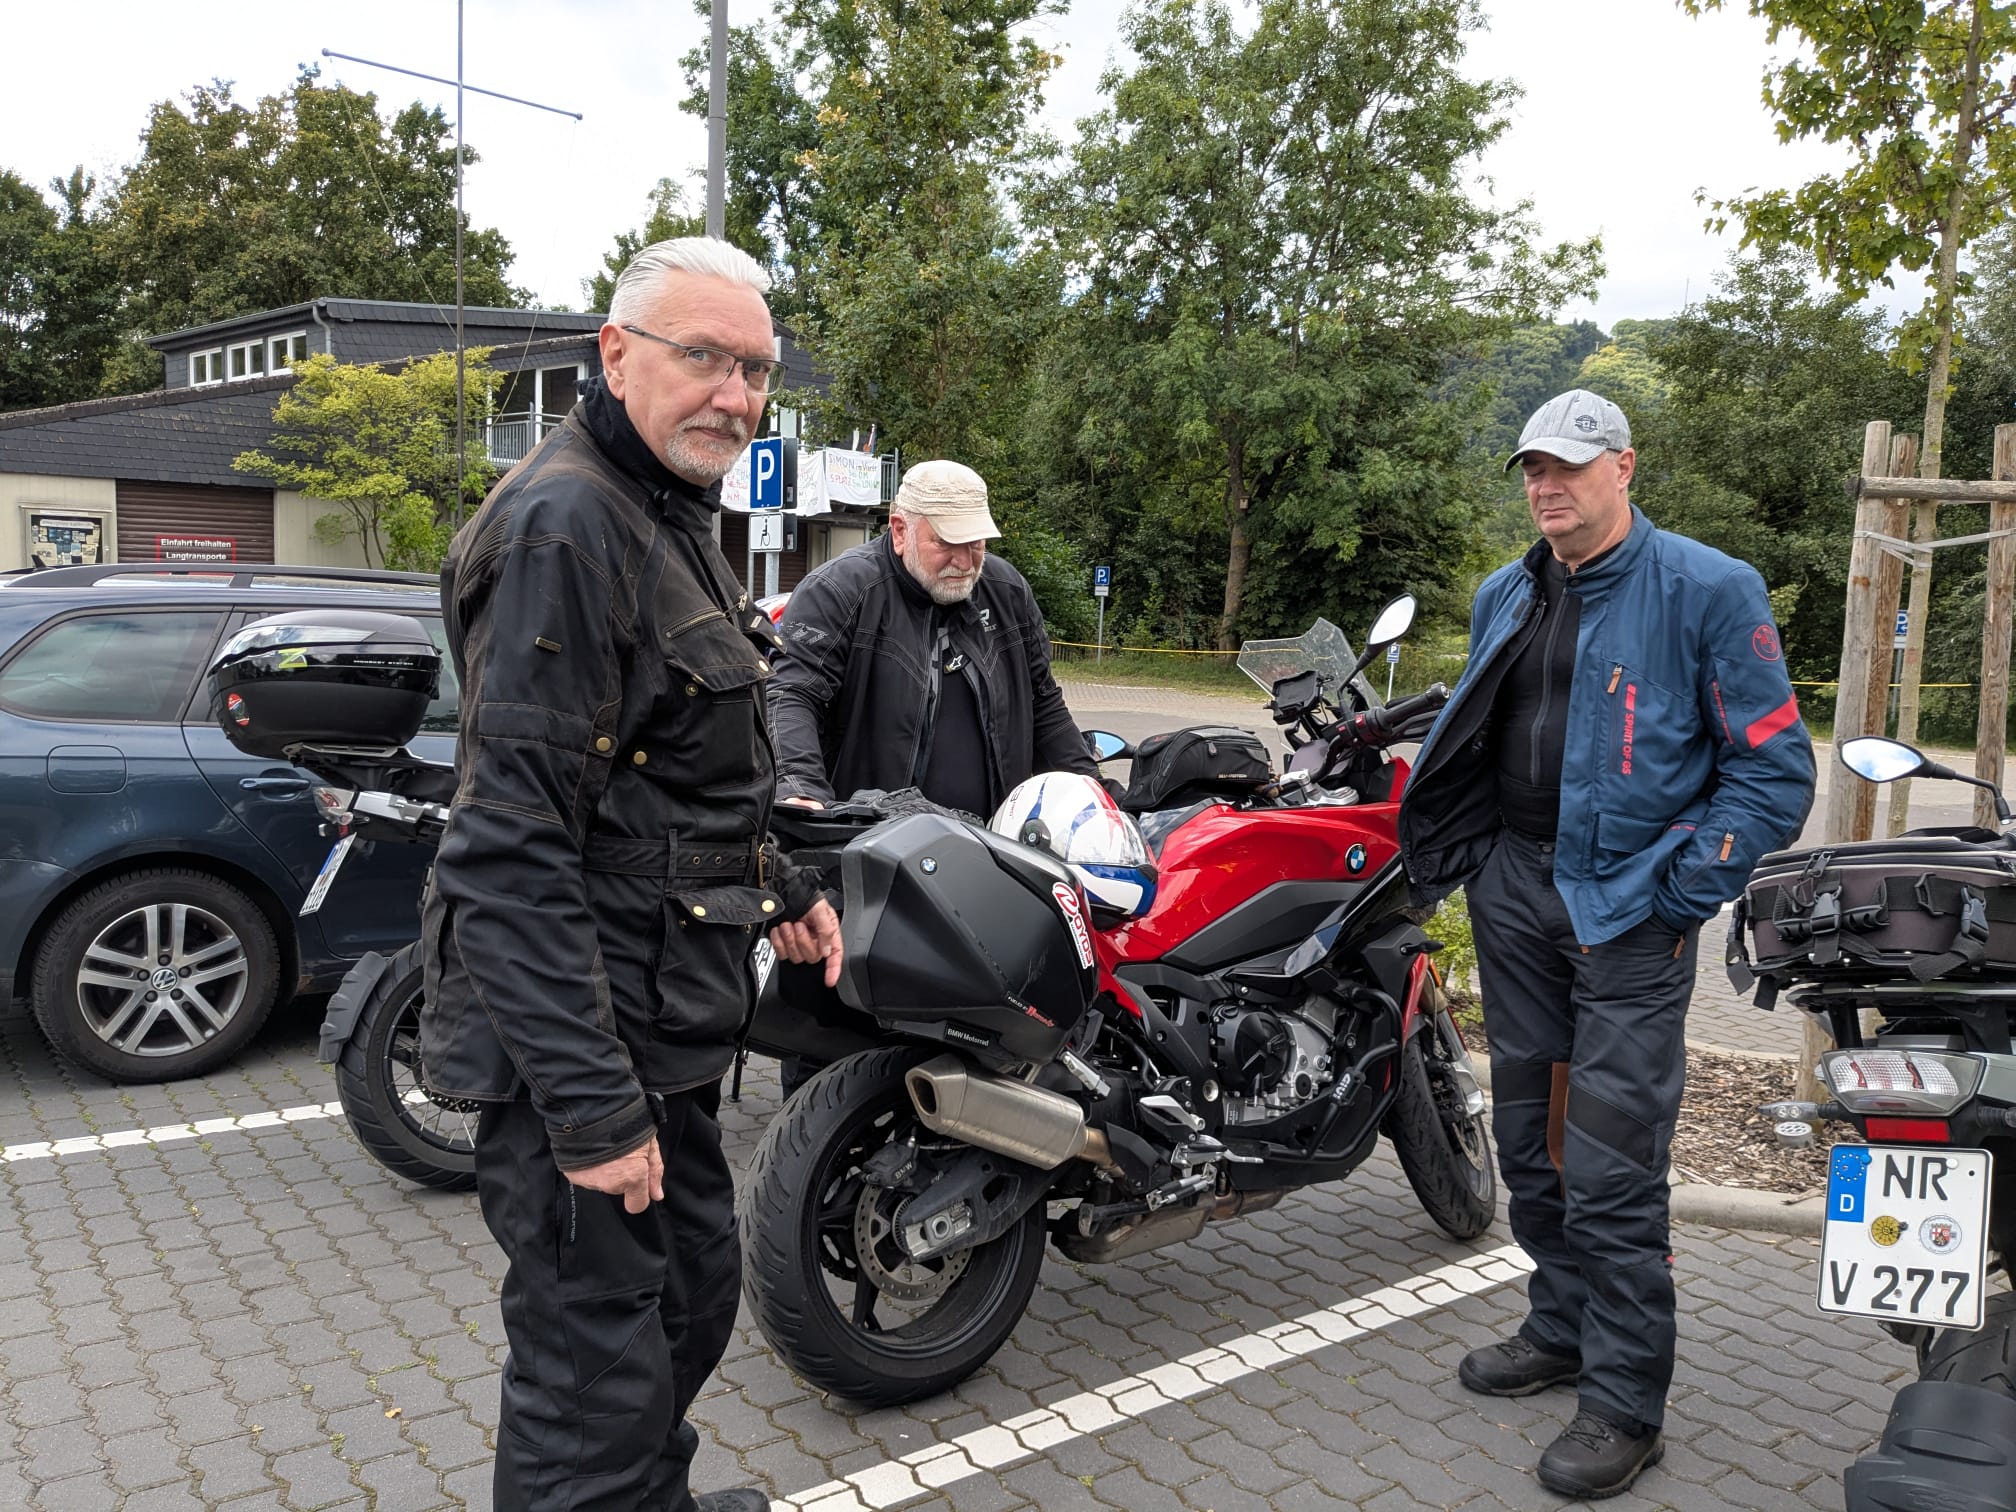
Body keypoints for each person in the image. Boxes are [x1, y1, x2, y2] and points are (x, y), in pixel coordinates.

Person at [420, 236, 843, 1512]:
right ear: (615, 353)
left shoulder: (664, 510)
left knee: (689, 1296)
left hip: (662, 1019)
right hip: (587, 1042)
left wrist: (782, 884)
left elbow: (672, 775)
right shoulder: (568, 526)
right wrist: (595, 1115)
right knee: (590, 1375)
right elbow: (509, 847)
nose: (735, 394)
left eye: (755, 369)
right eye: (704, 356)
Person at [1398, 389, 1815, 1499]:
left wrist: (1678, 894)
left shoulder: (1708, 590)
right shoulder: (1509, 590)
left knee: (1612, 1165)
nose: (1549, 487)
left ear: (1624, 468)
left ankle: (1627, 1402)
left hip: (1630, 916)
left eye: (1570, 467)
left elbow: (1775, 771)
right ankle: (1562, 1326)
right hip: (1515, 896)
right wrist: (1480, 861)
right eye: (1534, 469)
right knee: (1531, 1142)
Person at [767, 458, 1096, 819]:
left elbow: (1043, 705)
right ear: (900, 531)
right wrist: (798, 786)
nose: (964, 562)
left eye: (975, 543)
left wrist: (1092, 792)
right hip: (869, 838)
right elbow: (792, 695)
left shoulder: (1007, 592)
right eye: (946, 542)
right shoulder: (839, 590)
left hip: (995, 840)